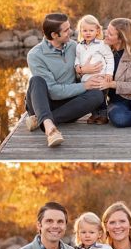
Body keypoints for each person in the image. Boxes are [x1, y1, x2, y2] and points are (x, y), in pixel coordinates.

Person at [25, 13, 107, 148]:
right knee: (36, 80)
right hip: (43, 103)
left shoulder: (73, 46)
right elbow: (53, 91)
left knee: (97, 95)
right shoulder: (35, 55)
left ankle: (41, 120)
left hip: (68, 106)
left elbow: (78, 75)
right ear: (54, 35)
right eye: (66, 30)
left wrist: (84, 71)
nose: (71, 32)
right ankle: (50, 129)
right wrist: (85, 85)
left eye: (69, 27)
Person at [74, 15, 114, 124]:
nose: (88, 33)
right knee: (90, 98)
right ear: (81, 31)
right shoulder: (79, 46)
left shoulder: (102, 44)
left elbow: (110, 58)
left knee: (101, 97)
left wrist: (109, 73)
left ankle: (103, 116)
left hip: (101, 77)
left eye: (91, 30)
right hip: (86, 79)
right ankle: (94, 115)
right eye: (85, 30)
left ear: (97, 31)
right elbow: (77, 58)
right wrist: (77, 66)